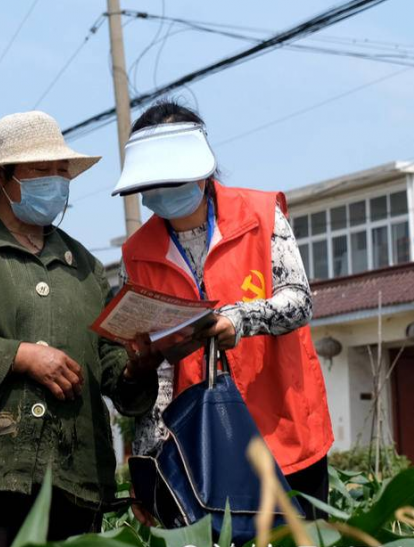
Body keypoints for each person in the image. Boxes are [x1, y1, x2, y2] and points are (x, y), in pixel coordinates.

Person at [0, 111, 160, 546]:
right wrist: (20, 356)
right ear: (4, 178)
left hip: (72, 476)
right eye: (42, 171)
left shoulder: (86, 267)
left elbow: (110, 363)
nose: (57, 182)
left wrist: (138, 366)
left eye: (63, 172)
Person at [114, 101, 334, 522]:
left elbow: (299, 300)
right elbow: (159, 374)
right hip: (203, 444)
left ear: (203, 168)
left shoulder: (261, 214)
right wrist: (145, 465)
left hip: (285, 427)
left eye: (174, 177)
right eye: (153, 183)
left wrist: (239, 319)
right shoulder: (136, 254)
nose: (164, 189)